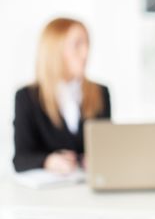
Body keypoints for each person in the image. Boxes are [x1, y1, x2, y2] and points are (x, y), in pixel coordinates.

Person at [13, 18, 111, 174]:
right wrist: (47, 161)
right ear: (55, 50)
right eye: (77, 45)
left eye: (87, 44)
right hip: (47, 194)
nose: (85, 53)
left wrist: (93, 159)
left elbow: (107, 147)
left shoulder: (100, 92)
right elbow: (21, 159)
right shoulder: (27, 97)